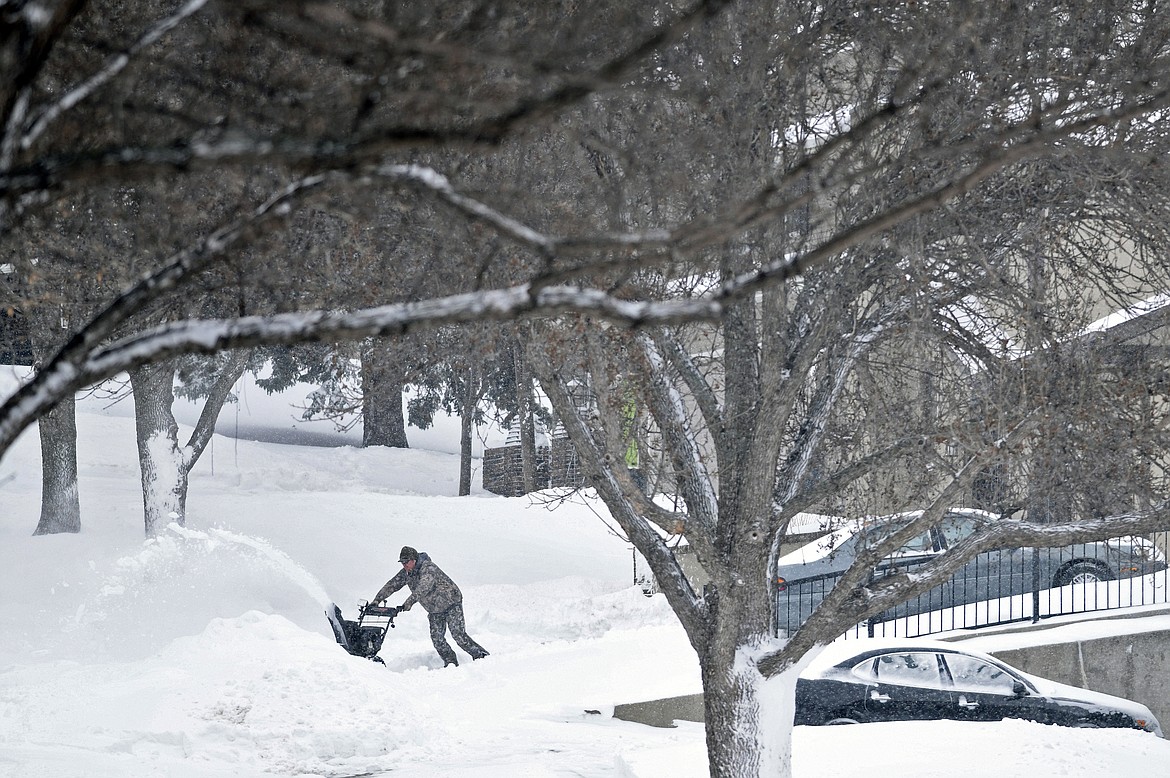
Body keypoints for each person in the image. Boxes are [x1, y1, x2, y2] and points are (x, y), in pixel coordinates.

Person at [372, 545, 489, 667]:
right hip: (434, 609)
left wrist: (409, 602)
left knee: (458, 636)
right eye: (402, 562)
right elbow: (392, 585)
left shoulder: (428, 568)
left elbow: (424, 587)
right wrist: (377, 600)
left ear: (414, 560)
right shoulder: (406, 573)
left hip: (451, 603)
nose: (404, 565)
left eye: (406, 562)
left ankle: (482, 657)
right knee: (437, 639)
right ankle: (451, 663)